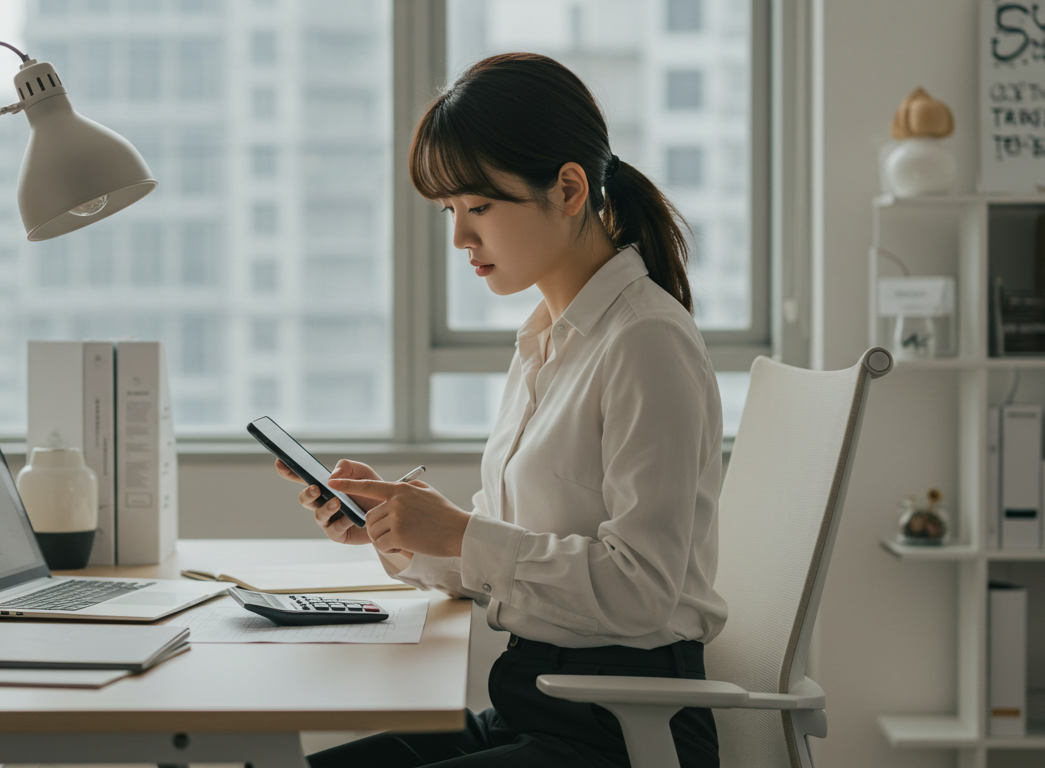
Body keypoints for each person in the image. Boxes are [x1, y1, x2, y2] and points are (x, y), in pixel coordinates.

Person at [274, 52, 726, 768]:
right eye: (451, 211)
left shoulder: (646, 341)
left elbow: (639, 589)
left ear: (569, 188)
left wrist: (460, 533)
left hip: (623, 730)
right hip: (536, 705)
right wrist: (401, 532)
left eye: (479, 207)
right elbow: (514, 555)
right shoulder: (547, 337)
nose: (459, 237)